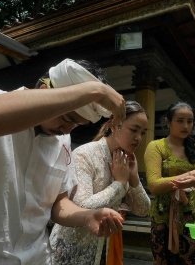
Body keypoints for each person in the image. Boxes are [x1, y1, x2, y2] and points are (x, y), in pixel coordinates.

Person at [0, 59, 127, 264]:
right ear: (45, 90)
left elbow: (58, 202)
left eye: (76, 125)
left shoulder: (62, 141)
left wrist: (86, 216)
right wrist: (93, 91)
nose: (67, 130)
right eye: (66, 118)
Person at [50, 101, 151, 265]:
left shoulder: (125, 162)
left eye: (143, 132)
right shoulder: (85, 154)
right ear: (113, 124)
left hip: (102, 248)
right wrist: (119, 184)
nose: (138, 138)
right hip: (70, 245)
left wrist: (134, 179)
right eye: (134, 130)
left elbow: (143, 210)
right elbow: (82, 206)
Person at [145, 101, 195, 265]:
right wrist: (192, 173)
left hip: (191, 217)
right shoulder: (156, 147)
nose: (186, 126)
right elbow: (154, 185)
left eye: (190, 121)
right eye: (180, 120)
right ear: (168, 121)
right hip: (163, 217)